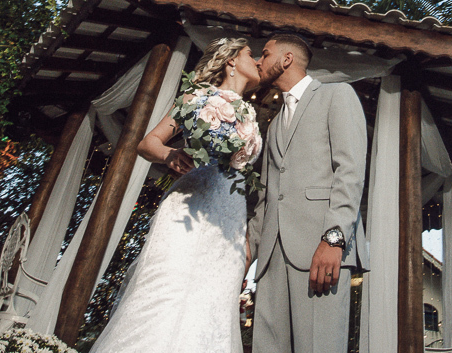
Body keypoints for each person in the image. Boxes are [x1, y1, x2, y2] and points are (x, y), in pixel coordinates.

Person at [87, 37, 263, 353]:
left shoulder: (250, 112)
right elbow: (147, 143)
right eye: (252, 54)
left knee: (215, 301)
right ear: (231, 61)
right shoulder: (196, 97)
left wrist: (245, 233)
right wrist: (170, 155)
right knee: (169, 289)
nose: (260, 60)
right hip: (190, 208)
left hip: (230, 217)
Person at [248, 33, 369, 353]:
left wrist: (334, 239)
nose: (259, 61)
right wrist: (246, 254)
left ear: (286, 59)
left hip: (321, 252)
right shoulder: (273, 125)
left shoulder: (337, 95)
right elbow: (267, 198)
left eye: (265, 53)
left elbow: (351, 171)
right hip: (272, 260)